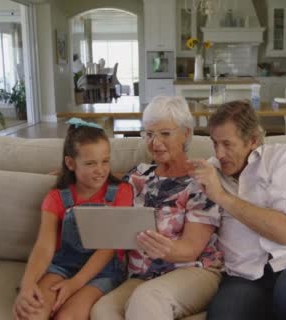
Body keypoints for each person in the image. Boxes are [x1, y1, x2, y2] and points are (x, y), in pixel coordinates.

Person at [189, 100, 286, 320]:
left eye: (227, 144)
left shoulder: (283, 158)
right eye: (215, 143)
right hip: (244, 276)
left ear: (252, 140)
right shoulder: (211, 173)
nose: (219, 153)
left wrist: (222, 197)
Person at [91, 96, 223, 320]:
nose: (155, 143)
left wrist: (162, 248)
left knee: (146, 299)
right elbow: (107, 181)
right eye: (149, 134)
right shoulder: (139, 174)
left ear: (186, 134)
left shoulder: (201, 180)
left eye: (165, 134)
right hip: (142, 276)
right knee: (102, 311)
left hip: (193, 269)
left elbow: (191, 248)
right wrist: (69, 176)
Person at [13, 118, 133, 320]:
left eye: (105, 161)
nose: (101, 170)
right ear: (70, 163)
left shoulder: (121, 192)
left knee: (67, 317)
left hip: (103, 272)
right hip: (62, 266)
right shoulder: (56, 197)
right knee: (31, 313)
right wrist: (27, 285)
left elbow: (108, 248)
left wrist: (74, 284)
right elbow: (44, 246)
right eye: (90, 163)